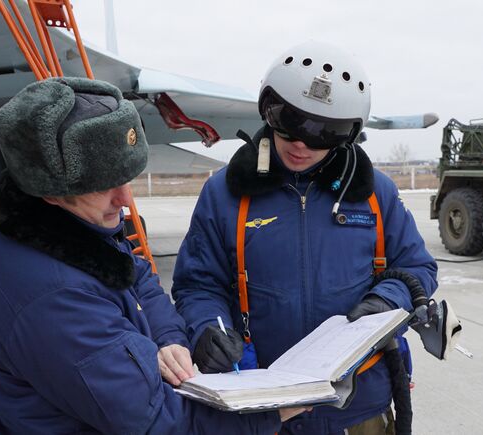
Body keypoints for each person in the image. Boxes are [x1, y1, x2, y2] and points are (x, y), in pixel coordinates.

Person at [0, 77, 305, 434]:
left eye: (127, 178)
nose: (126, 200)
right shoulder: (54, 299)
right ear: (49, 192)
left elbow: (132, 273)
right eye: (105, 185)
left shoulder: (62, 227)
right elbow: (158, 424)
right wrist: (270, 412)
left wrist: (169, 337)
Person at [172, 41, 438, 434]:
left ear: (348, 134)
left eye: (324, 132)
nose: (301, 143)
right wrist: (209, 328)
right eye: (289, 121)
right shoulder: (225, 195)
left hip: (358, 404)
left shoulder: (376, 194)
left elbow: (417, 267)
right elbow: (198, 284)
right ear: (267, 109)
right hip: (263, 409)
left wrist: (386, 300)